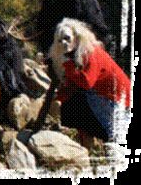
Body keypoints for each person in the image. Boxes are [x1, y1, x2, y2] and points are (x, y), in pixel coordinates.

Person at [49, 18, 130, 148]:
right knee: (71, 106)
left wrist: (69, 67)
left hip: (117, 100)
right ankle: (88, 147)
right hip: (105, 96)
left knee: (118, 137)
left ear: (76, 37)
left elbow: (87, 82)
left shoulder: (91, 53)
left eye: (67, 38)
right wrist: (59, 98)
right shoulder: (75, 55)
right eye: (60, 40)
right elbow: (73, 83)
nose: (64, 43)